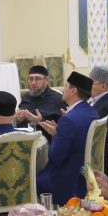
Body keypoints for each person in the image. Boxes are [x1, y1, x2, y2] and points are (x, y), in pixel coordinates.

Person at [36, 72, 100, 204]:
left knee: (33, 179)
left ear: (73, 90)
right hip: (88, 174)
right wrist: (59, 132)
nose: (62, 89)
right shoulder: (93, 113)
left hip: (70, 180)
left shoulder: (68, 119)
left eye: (65, 86)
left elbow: (56, 158)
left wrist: (55, 136)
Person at [16, 65, 66, 130]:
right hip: (23, 134)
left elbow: (64, 127)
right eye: (31, 79)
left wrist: (39, 121)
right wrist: (17, 120)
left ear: (47, 80)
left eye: (37, 79)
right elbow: (18, 122)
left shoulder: (58, 99)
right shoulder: (26, 97)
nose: (33, 83)